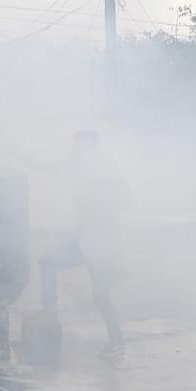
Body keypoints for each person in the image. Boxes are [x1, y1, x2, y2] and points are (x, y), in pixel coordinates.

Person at [37, 130, 125, 359]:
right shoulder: (84, 166)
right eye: (74, 144)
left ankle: (116, 343)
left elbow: (121, 200)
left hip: (98, 240)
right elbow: (50, 167)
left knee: (100, 293)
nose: (74, 148)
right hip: (88, 238)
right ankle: (50, 318)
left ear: (90, 147)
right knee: (47, 264)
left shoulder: (98, 170)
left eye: (79, 145)